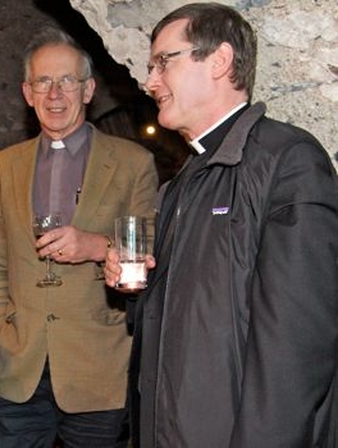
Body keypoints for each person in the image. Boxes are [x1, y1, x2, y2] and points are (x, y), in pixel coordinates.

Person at [103, 3, 338, 447]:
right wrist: (135, 285)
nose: (150, 81)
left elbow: (297, 348)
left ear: (219, 60)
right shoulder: (181, 184)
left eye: (163, 63)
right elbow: (181, 311)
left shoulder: (288, 162)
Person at [0, 27, 158, 447]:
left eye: (67, 81)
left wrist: (97, 247)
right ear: (28, 92)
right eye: (43, 81)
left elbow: (151, 254)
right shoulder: (6, 164)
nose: (55, 94)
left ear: (88, 90)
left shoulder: (134, 162)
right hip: (16, 369)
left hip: (98, 371)